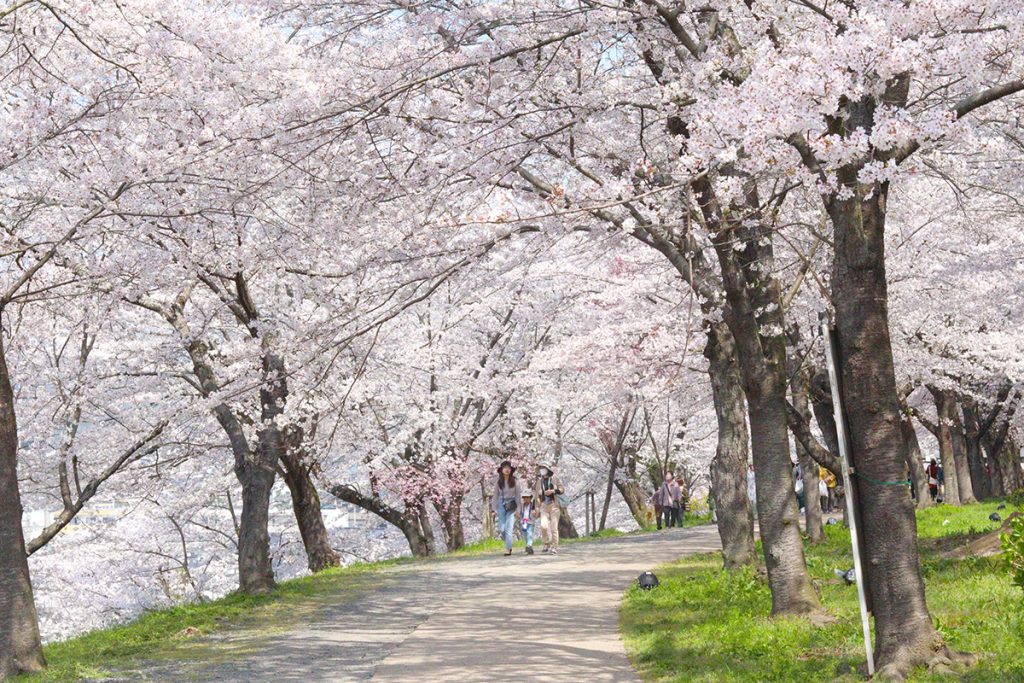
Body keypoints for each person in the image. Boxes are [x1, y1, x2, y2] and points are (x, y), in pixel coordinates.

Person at [492, 460, 522, 556]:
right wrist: (494, 509)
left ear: (511, 470)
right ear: (501, 470)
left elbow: (518, 495)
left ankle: (508, 548)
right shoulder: (498, 482)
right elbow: (495, 496)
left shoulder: (515, 481)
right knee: (502, 529)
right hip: (501, 504)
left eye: (508, 468)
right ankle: (508, 543)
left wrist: (518, 509)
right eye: (505, 468)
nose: (507, 470)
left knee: (509, 528)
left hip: (511, 504)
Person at [534, 464, 565, 554]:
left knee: (553, 527)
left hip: (554, 505)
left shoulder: (554, 478)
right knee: (543, 526)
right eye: (540, 469)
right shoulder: (539, 482)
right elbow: (537, 495)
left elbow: (562, 489)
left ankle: (554, 546)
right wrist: (537, 507)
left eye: (543, 468)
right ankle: (546, 543)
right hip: (543, 505)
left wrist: (553, 491)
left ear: (547, 469)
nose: (542, 470)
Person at [520, 491, 540, 555]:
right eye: (524, 498)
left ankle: (529, 545)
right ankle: (529, 546)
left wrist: (535, 513)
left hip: (530, 521)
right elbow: (519, 512)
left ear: (530, 498)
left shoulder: (533, 505)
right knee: (525, 534)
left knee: (529, 533)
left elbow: (536, 512)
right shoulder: (522, 505)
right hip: (524, 521)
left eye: (527, 497)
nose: (526, 499)